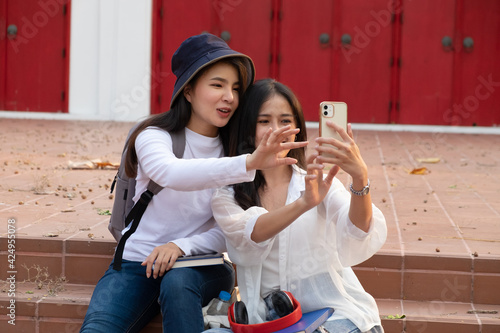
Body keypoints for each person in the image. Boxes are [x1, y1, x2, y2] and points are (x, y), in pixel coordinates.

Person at [80, 35, 307, 333]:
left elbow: (232, 228)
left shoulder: (237, 150)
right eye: (217, 85)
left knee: (177, 281)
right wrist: (248, 164)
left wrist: (181, 246)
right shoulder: (154, 136)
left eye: (236, 88)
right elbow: (171, 173)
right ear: (188, 90)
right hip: (137, 264)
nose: (230, 97)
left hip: (200, 266)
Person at [205, 79, 387, 333]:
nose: (276, 130)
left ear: (297, 129)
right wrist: (303, 204)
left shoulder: (318, 183)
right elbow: (250, 234)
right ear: (248, 130)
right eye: (264, 121)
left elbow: (359, 229)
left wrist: (360, 178)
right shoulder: (227, 194)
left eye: (285, 121)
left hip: (333, 316)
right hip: (267, 320)